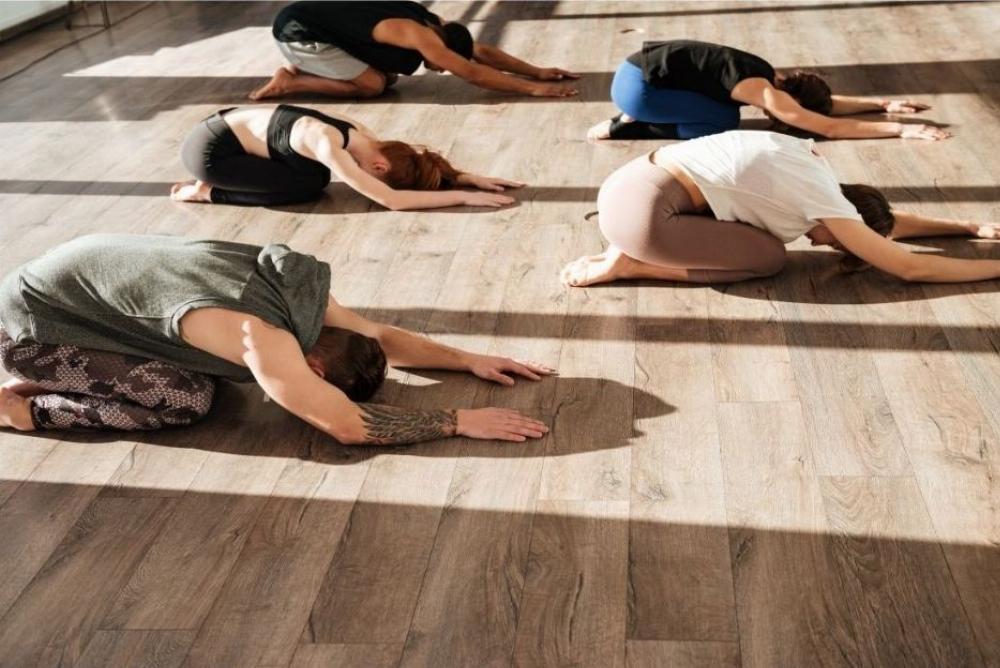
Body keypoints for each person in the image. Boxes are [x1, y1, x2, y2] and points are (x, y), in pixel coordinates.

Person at [0, 234, 553, 445]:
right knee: (186, 399)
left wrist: (469, 359)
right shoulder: (260, 337)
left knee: (212, 377)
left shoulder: (302, 296)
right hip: (27, 326)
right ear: (316, 370)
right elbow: (346, 424)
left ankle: (76, 374)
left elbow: (379, 335)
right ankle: (23, 411)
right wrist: (456, 421)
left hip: (66, 279)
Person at [561, 131, 999, 287]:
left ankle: (627, 252)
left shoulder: (814, 169)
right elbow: (910, 267)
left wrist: (968, 227)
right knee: (769, 257)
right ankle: (632, 265)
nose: (824, 246)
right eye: (840, 244)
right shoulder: (822, 201)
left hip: (627, 185)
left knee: (750, 230)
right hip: (644, 217)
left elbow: (882, 225)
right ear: (850, 221)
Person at [587, 39, 950, 142]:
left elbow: (821, 107)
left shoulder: (769, 76)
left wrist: (882, 104)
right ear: (791, 101)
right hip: (640, 91)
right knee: (722, 122)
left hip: (632, 69)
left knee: (722, 108)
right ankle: (633, 125)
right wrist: (900, 130)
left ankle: (641, 114)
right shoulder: (765, 92)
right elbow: (828, 126)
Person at [171, 104, 522, 208]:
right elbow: (392, 200)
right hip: (209, 152)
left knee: (315, 177)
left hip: (229, 130)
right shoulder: (327, 144)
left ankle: (226, 183)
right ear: (379, 166)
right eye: (375, 178)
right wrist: (463, 197)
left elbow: (416, 163)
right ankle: (206, 192)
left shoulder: (364, 137)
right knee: (305, 187)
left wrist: (461, 177)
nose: (365, 181)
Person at [249, 1, 579, 100]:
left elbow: (480, 52)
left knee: (389, 79)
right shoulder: (420, 37)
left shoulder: (434, 23)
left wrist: (536, 71)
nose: (443, 68)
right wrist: (532, 89)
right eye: (444, 62)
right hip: (297, 33)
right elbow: (472, 72)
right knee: (373, 86)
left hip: (319, 24)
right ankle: (292, 81)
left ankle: (311, 70)